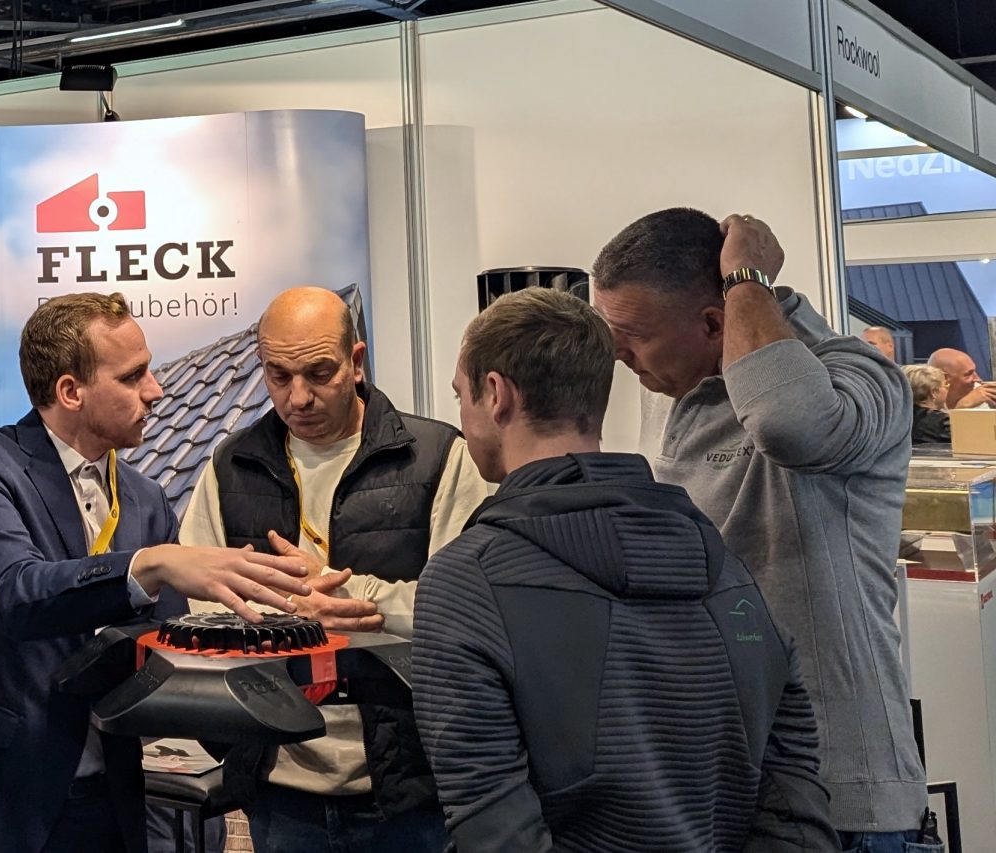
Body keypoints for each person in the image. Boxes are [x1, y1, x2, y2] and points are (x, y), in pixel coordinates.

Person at [412, 287, 837, 852]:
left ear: (496, 394)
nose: (461, 417)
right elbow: (793, 801)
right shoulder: (723, 565)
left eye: (460, 396)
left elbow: (493, 830)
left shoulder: (466, 584)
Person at [0, 292, 319, 853]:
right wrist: (148, 564)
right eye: (133, 377)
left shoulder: (145, 497)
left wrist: (289, 642)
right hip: (4, 805)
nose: (155, 390)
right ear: (70, 391)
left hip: (114, 803)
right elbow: (16, 594)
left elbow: (169, 652)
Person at [591, 208, 928, 851]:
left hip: (838, 796)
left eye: (631, 335)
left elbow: (787, 423)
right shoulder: (675, 391)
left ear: (715, 322)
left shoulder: (856, 375)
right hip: (719, 785)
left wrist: (747, 278)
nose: (617, 352)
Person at [175, 285, 489, 852]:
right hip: (279, 784)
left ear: (356, 361)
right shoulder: (229, 466)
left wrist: (356, 607)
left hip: (410, 785)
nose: (298, 397)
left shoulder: (440, 456)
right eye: (278, 376)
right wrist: (296, 613)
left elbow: (469, 610)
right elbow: (204, 610)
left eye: (319, 373)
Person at [903, 364, 952, 446]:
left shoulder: (897, 419)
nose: (947, 389)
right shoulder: (943, 422)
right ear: (934, 392)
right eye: (945, 385)